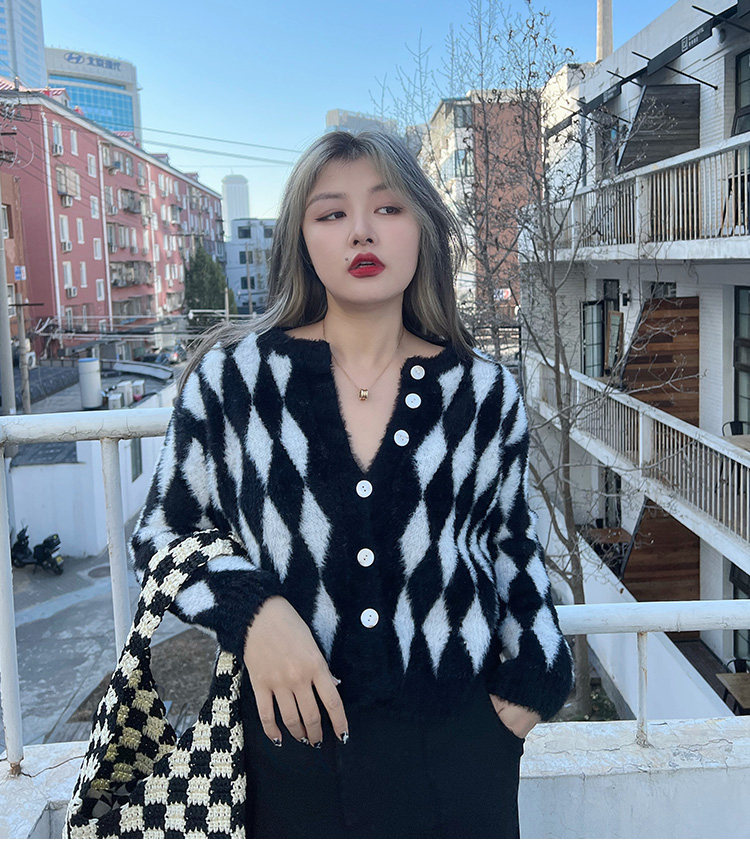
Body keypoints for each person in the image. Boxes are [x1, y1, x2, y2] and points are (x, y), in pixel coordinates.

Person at [129, 129, 575, 838]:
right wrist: (254, 611)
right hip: (284, 757)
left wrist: (536, 678)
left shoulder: (485, 392)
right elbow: (161, 535)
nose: (361, 231)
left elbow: (510, 543)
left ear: (423, 226)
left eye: (388, 208)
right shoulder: (233, 381)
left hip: (459, 753)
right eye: (331, 213)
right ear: (301, 238)